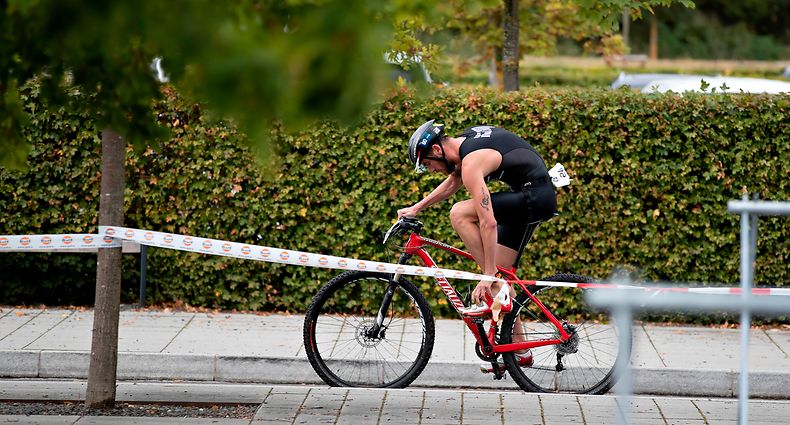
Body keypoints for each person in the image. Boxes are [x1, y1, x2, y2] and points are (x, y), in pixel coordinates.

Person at [397, 119, 557, 373]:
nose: (432, 170)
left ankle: (489, 279)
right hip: (535, 195)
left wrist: (487, 274)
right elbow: (453, 181)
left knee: (459, 213)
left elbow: (489, 222)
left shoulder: (471, 162)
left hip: (535, 198)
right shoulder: (465, 145)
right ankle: (520, 352)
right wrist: (417, 208)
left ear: (437, 151)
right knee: (502, 279)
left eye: (428, 165)